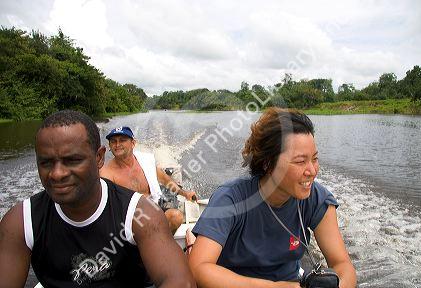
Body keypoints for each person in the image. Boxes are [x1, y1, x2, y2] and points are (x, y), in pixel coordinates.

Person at [0, 110, 196, 288]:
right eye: (45, 162)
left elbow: (181, 282)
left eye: (73, 160)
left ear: (99, 157)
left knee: (173, 216)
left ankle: (152, 254)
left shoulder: (140, 191)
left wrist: (184, 193)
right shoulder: (21, 221)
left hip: (146, 216)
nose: (57, 174)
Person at [188, 108, 357, 288]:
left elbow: (342, 265)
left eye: (314, 159)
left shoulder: (317, 199)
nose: (312, 171)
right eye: (300, 161)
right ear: (268, 164)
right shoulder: (230, 199)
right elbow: (198, 268)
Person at [100, 126, 197, 234]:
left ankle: (160, 242)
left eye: (122, 140)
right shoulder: (106, 173)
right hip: (129, 221)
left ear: (133, 143)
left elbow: (165, 180)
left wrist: (185, 193)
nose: (117, 145)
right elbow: (106, 208)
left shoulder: (145, 161)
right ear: (109, 145)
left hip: (154, 207)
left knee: (176, 217)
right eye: (113, 141)